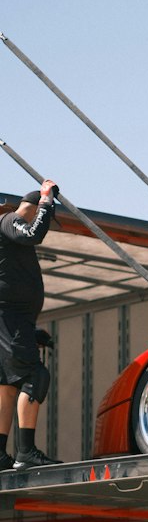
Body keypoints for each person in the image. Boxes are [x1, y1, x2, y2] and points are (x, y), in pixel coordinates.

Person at [0, 180, 62, 470]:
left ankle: (0, 455)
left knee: (7, 384)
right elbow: (34, 233)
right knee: (35, 377)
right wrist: (47, 201)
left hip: (11, 321)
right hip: (11, 319)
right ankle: (25, 451)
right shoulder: (8, 221)